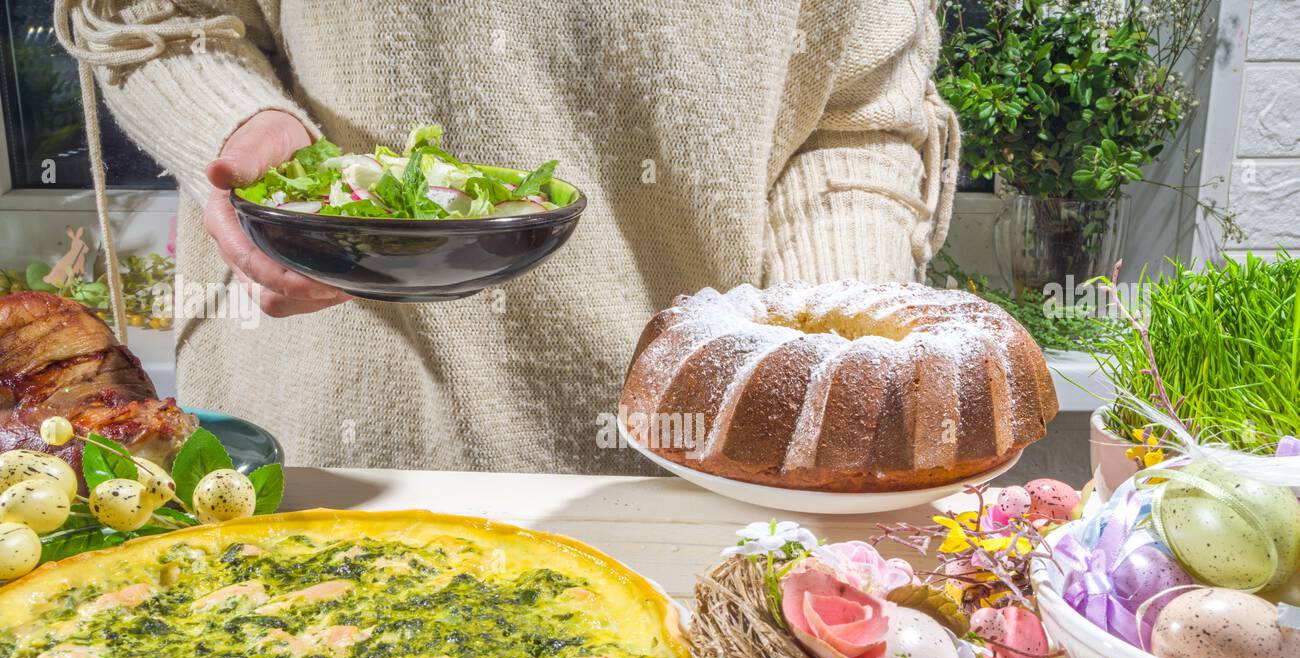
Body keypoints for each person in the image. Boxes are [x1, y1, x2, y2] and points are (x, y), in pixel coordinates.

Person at [60, 0, 957, 473]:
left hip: (695, 475)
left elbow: (858, 115)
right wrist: (242, 133)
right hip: (333, 460)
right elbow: (157, 13)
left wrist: (831, 353)